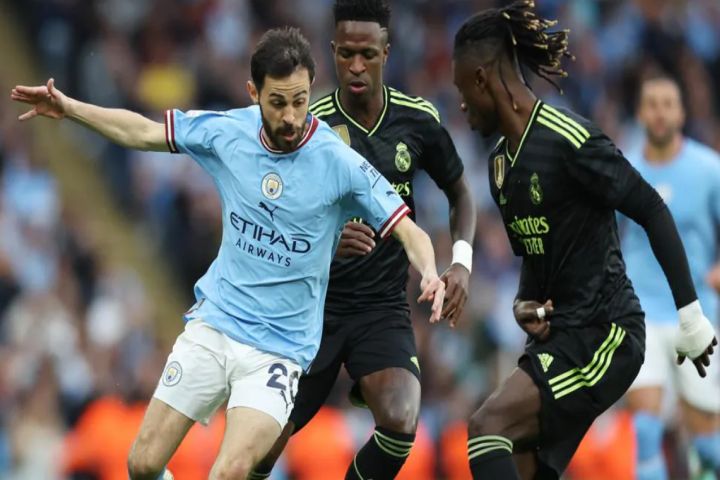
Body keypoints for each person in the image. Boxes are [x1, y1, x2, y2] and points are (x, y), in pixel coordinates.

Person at [11, 27, 446, 480]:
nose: (291, 116)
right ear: (253, 93)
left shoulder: (338, 162)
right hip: (215, 325)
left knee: (229, 472)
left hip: (279, 351)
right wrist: (70, 108)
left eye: (300, 101)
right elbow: (143, 131)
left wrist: (431, 272)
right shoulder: (229, 132)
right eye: (278, 102)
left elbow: (409, 230)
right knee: (142, 464)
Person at [450, 1, 717, 479]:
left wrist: (691, 315)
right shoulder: (499, 167)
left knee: (487, 426)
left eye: (462, 89)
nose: (462, 105)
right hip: (557, 340)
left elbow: (651, 208)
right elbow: (535, 260)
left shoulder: (570, 139)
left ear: (484, 78)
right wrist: (524, 305)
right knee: (522, 466)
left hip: (606, 333)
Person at [250, 2, 476, 479]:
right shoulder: (306, 124)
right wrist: (327, 240)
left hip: (381, 308)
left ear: (386, 53)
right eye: (346, 54)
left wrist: (461, 261)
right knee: (258, 451)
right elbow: (270, 216)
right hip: (310, 309)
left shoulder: (417, 119)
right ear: (332, 51)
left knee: (401, 422)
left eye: (367, 55)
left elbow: (459, 192)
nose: (356, 66)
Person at [622, 76, 720, 480]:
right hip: (640, 313)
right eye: (652, 104)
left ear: (681, 113)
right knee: (645, 431)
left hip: (697, 314)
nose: (660, 112)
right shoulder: (623, 172)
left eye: (668, 104)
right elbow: (605, 238)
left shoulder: (709, 170)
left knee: (708, 446)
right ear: (640, 113)